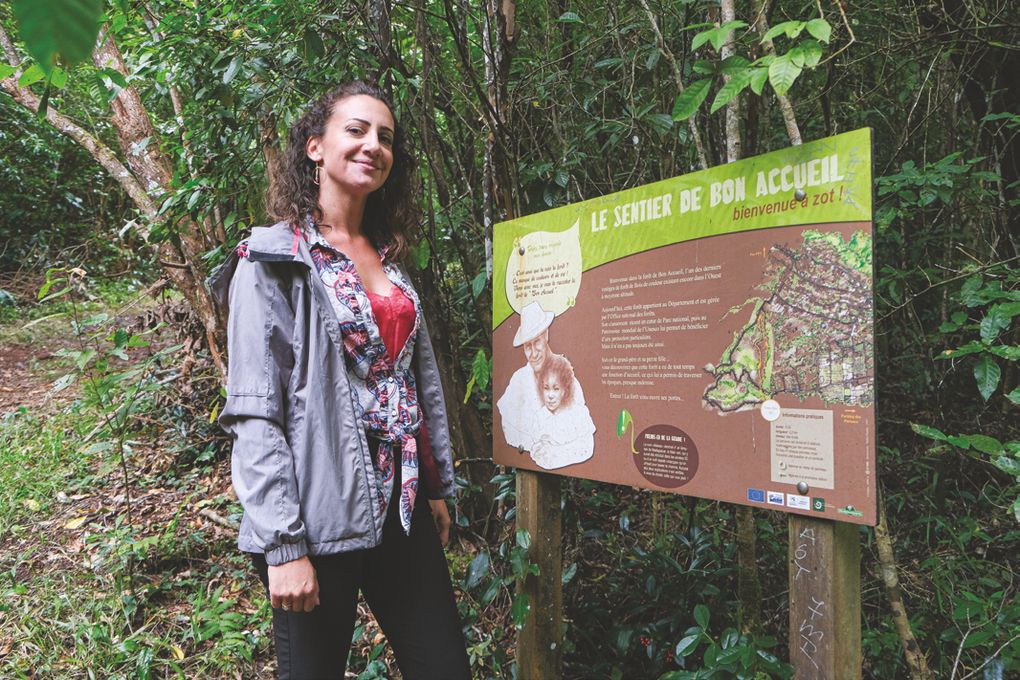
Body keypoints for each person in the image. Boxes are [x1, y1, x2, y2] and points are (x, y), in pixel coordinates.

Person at [209, 80, 470, 679]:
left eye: (385, 137)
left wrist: (433, 486)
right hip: (317, 518)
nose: (372, 145)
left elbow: (411, 387)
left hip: (400, 510)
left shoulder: (391, 260)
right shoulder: (271, 260)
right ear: (315, 148)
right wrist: (284, 546)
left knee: (444, 667)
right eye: (355, 130)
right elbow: (255, 411)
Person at [496, 300, 585, 450]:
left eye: (536, 342)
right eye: (527, 346)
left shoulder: (566, 375)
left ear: (546, 335)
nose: (533, 353)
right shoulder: (518, 380)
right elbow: (509, 427)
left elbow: (579, 426)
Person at [529, 354, 596, 469]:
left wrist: (555, 451)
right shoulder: (540, 417)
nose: (550, 396)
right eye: (546, 388)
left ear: (564, 390)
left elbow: (585, 448)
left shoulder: (577, 414)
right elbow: (536, 450)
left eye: (556, 389)